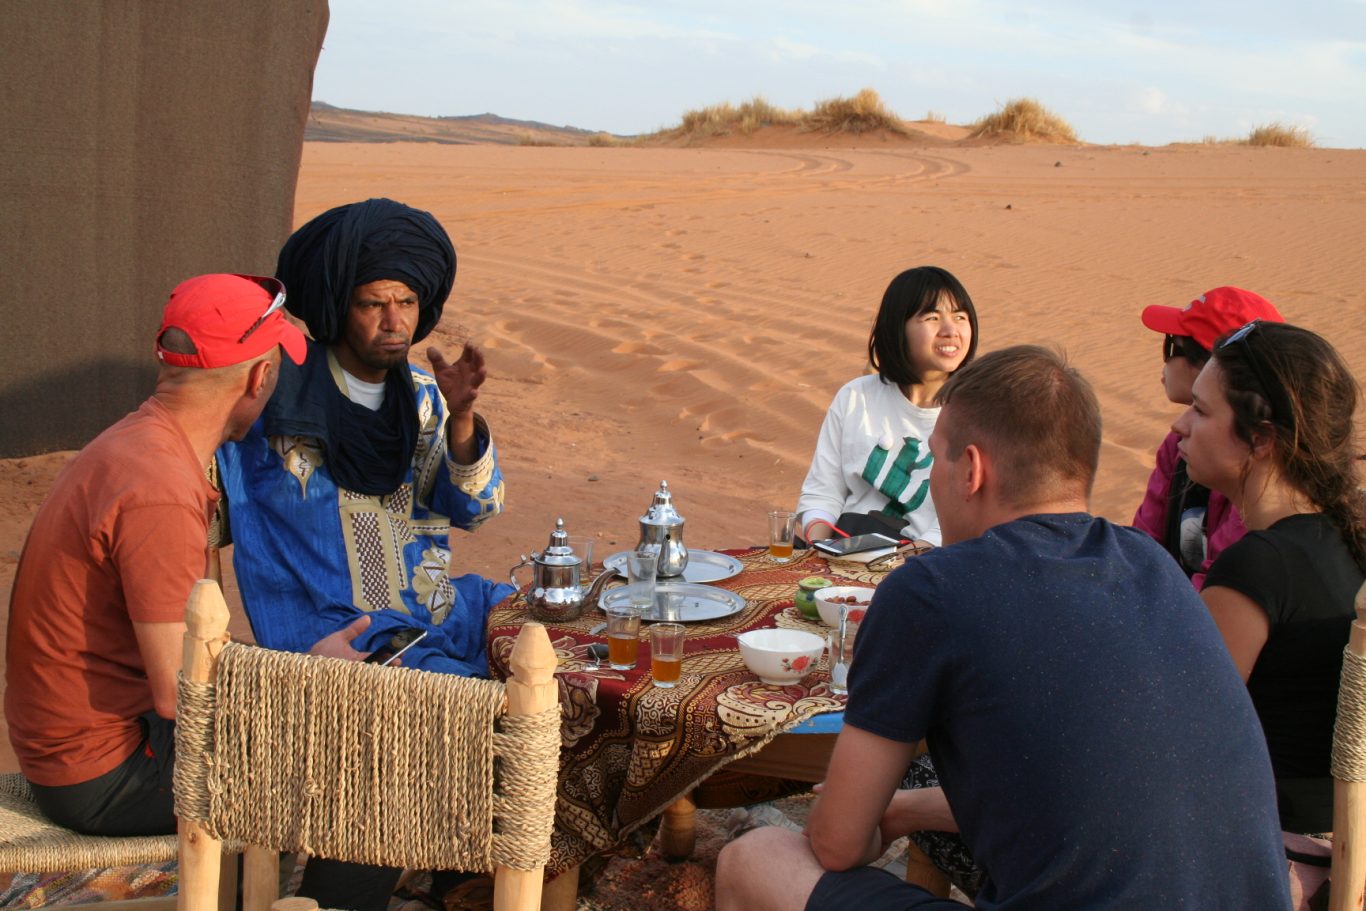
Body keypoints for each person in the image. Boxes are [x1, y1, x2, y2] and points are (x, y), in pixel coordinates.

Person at [717, 346, 1290, 910]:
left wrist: (857, 824)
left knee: (757, 857)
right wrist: (904, 811)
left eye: (936, 459)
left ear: (971, 469)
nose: (934, 480)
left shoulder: (930, 591)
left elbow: (838, 845)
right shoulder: (1154, 565)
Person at [215, 198, 513, 675]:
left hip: (435, 612)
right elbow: (204, 513)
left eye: (408, 303)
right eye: (373, 304)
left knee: (562, 634)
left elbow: (475, 510)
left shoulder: (424, 396)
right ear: (338, 307)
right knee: (493, 700)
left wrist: (460, 417)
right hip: (336, 635)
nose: (395, 323)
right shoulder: (272, 399)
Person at [1174, 320, 1365, 836]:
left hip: (1270, 856)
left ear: (1260, 438)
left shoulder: (1257, 566)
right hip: (1340, 850)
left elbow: (1181, 736)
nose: (1180, 427)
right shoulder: (1340, 537)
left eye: (1201, 410)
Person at [796, 266, 978, 546]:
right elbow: (823, 492)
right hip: (843, 548)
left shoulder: (979, 413)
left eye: (960, 317)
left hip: (926, 561)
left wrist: (913, 560)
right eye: (932, 317)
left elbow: (967, 516)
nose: (950, 331)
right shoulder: (856, 397)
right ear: (897, 327)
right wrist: (820, 548)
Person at [1133, 286, 1283, 588]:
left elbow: (1225, 579)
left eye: (1171, 348)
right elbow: (1143, 546)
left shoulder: (1269, 475)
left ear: (1212, 365)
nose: (1164, 362)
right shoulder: (1176, 445)